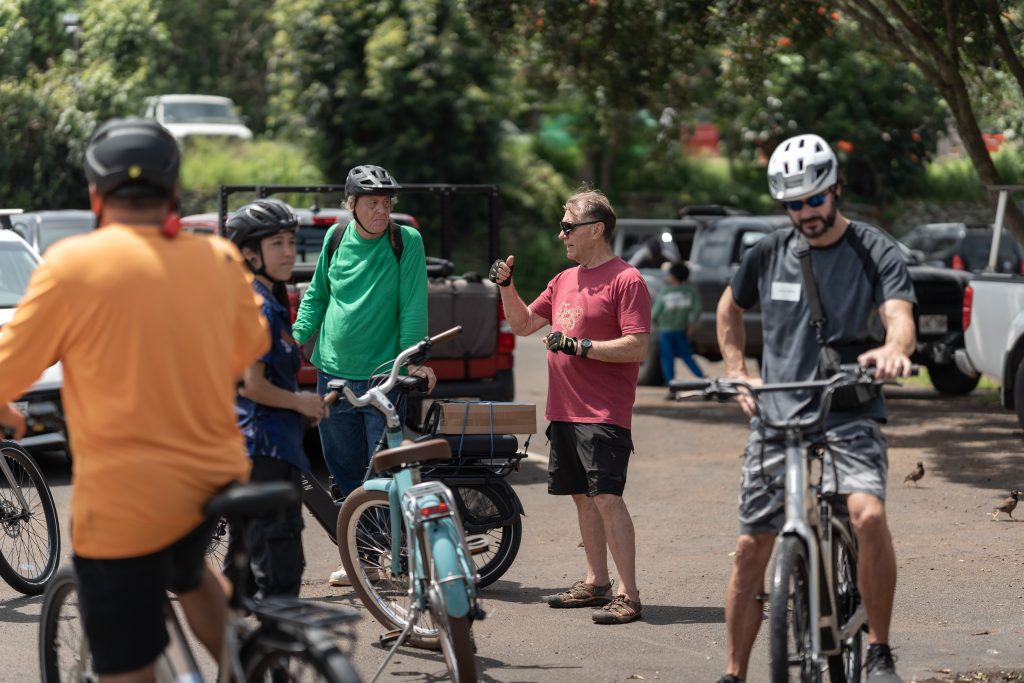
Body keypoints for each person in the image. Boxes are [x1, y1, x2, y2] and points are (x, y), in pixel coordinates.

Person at [0, 118, 269, 681]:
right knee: (188, 568)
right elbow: (250, 347)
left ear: (96, 195)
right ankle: (248, 666)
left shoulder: (72, 266)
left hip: (125, 501)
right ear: (173, 191)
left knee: (127, 663)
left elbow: (7, 370)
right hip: (214, 476)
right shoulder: (218, 260)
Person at [714, 133, 915, 683]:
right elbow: (729, 309)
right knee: (750, 547)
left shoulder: (874, 249)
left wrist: (894, 350)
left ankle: (879, 650)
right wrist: (738, 372)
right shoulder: (768, 252)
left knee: (867, 516)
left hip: (849, 409)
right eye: (793, 204)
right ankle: (734, 673)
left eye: (814, 199)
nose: (805, 213)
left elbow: (899, 317)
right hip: (778, 415)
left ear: (835, 189)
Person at [488, 188, 650, 625]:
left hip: (603, 412)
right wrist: (506, 286)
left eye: (568, 226)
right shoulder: (563, 280)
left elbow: (636, 346)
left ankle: (629, 594)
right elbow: (523, 324)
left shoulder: (626, 280)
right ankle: (597, 582)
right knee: (583, 498)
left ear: (596, 229)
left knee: (607, 498)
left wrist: (581, 346)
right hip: (564, 409)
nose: (561, 235)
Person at [292, 164, 434, 587]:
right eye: (373, 203)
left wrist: (410, 361)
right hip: (332, 373)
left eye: (387, 203)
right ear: (351, 204)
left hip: (381, 378)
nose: (381, 211)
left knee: (381, 473)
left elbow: (413, 306)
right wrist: (291, 340)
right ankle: (364, 557)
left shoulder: (405, 241)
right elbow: (317, 295)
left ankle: (391, 552)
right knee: (343, 470)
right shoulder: (336, 237)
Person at [226, 198, 330, 600]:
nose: (289, 252)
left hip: (267, 446)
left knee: (244, 571)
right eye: (276, 244)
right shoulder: (257, 306)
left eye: (291, 241)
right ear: (250, 254)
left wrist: (300, 406)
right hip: (263, 452)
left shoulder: (271, 297)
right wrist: (300, 402)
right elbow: (251, 385)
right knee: (279, 572)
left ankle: (234, 640)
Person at [650, 261, 703, 389]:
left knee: (667, 358)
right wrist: (692, 325)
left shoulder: (665, 292)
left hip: (665, 331)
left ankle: (671, 384)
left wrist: (657, 325)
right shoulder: (690, 291)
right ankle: (702, 379)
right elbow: (697, 310)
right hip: (682, 330)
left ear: (673, 276)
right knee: (687, 356)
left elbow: (655, 313)